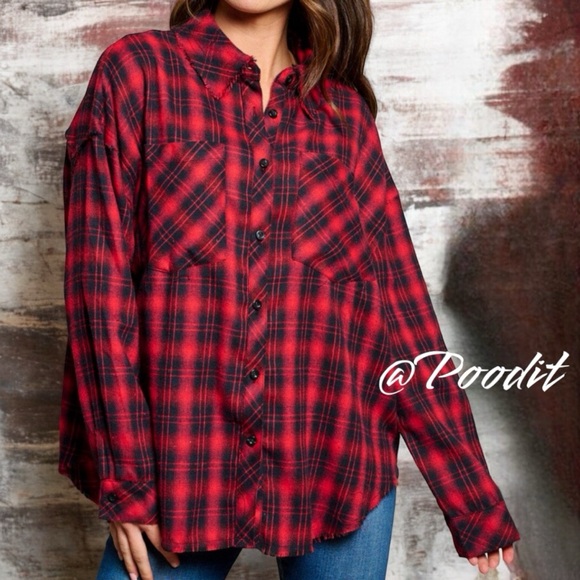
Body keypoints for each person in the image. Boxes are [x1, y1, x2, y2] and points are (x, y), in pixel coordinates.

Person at [59, 1, 521, 578]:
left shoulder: (344, 117)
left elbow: (401, 311)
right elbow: (97, 293)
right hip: (183, 468)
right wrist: (125, 478)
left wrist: (471, 498)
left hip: (337, 466)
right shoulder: (137, 73)